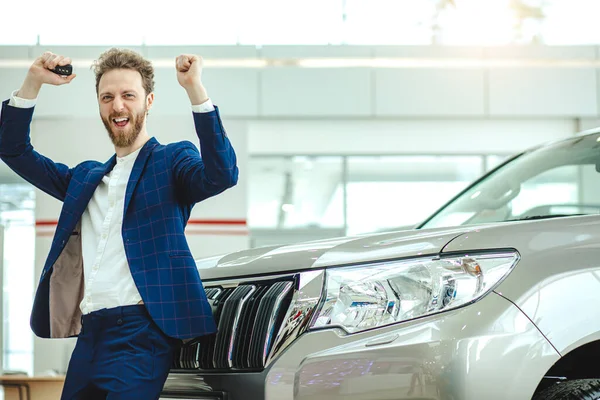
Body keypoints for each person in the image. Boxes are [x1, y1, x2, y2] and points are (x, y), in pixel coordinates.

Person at [0, 48, 238, 399]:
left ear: (149, 101)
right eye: (107, 97)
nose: (118, 106)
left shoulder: (171, 161)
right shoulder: (84, 179)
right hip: (90, 332)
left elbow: (222, 175)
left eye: (129, 95)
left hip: (141, 333)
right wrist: (33, 82)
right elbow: (13, 149)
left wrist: (194, 90)